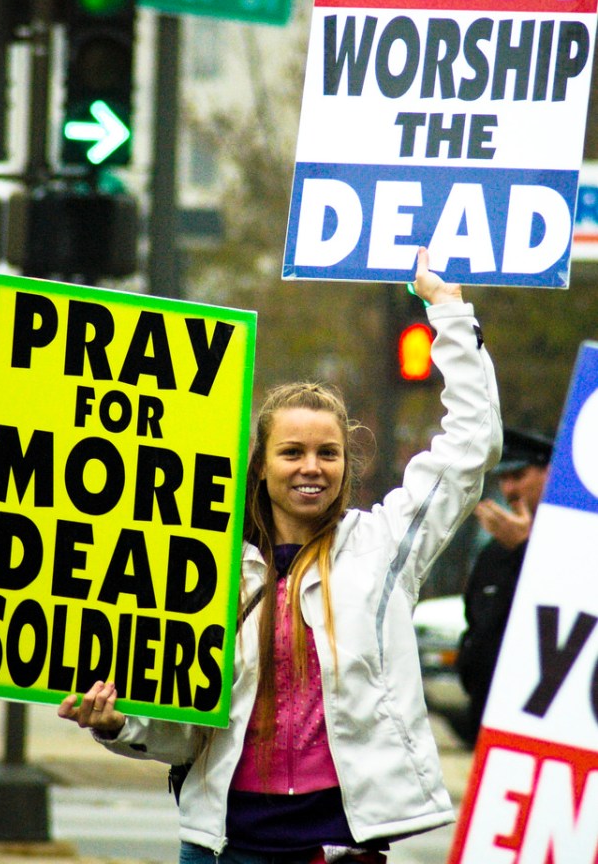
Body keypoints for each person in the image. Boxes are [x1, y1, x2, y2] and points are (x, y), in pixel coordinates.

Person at [58, 247, 502, 864]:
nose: (311, 468)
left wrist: (448, 311)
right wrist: (116, 724)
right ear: (261, 464)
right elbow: (186, 732)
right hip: (222, 847)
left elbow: (472, 446)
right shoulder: (205, 566)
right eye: (292, 452)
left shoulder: (384, 547)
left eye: (328, 453)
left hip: (339, 846)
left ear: (347, 463)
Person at [456, 426, 553, 747]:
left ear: (548, 472)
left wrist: (527, 550)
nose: (509, 490)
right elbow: (476, 628)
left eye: (519, 476)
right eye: (503, 479)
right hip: (491, 728)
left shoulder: (579, 544)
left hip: (546, 726)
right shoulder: (494, 553)